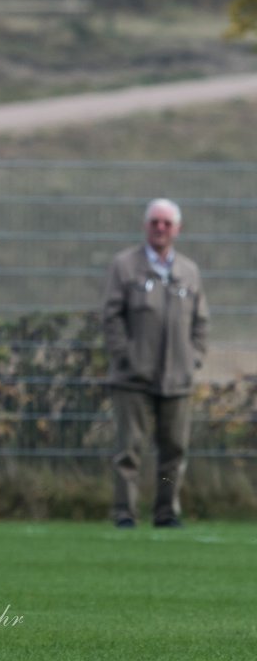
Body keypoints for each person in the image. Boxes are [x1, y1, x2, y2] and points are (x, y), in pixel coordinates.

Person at [100, 198, 209, 529]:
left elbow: (201, 321)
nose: (160, 228)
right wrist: (125, 355)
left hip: (177, 379)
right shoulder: (125, 266)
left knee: (173, 452)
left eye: (166, 223)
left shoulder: (189, 271)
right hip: (133, 378)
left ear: (177, 229)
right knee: (129, 451)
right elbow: (111, 316)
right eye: (154, 222)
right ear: (145, 226)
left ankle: (165, 512)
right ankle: (124, 512)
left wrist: (193, 358)